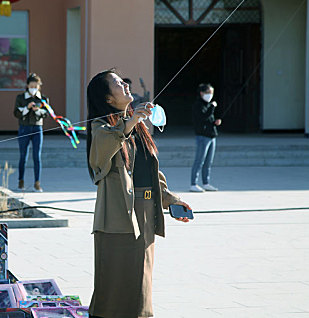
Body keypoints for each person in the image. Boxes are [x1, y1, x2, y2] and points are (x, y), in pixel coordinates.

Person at [86, 70, 192, 318]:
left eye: (123, 80)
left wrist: (172, 201)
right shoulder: (101, 127)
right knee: (111, 292)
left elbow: (149, 173)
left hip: (145, 216)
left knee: (140, 292)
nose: (125, 84)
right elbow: (100, 156)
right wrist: (131, 122)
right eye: (117, 83)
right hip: (116, 219)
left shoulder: (137, 127)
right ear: (108, 99)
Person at [13, 73, 49, 192]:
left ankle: (37, 183)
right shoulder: (20, 98)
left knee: (37, 156)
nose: (33, 88)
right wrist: (27, 108)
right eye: (31, 85)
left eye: (36, 86)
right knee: (23, 156)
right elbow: (16, 113)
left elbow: (46, 113)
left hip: (37, 128)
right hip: (24, 128)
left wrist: (38, 111)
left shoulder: (43, 98)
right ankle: (21, 181)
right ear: (27, 85)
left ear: (39, 86)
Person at [190, 83, 222, 192]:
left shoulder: (208, 105)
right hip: (202, 136)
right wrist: (212, 107)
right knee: (199, 160)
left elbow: (208, 119)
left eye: (211, 93)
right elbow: (203, 117)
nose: (210, 95)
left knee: (208, 161)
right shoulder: (198, 105)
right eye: (208, 93)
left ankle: (205, 182)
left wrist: (215, 122)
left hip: (211, 135)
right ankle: (193, 183)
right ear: (201, 93)